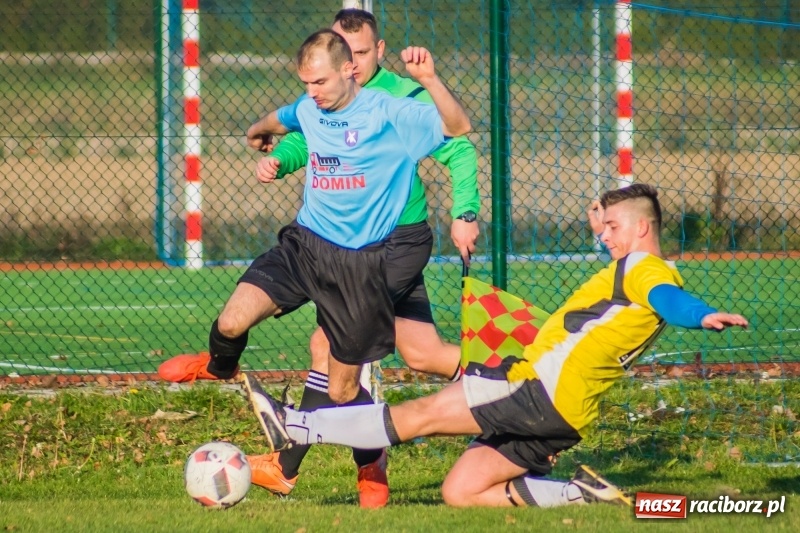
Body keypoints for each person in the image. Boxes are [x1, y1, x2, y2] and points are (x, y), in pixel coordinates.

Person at [242, 183, 749, 507]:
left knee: (424, 414)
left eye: (613, 228)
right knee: (461, 491)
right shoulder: (640, 265)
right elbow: (654, 280)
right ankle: (581, 496)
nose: (605, 236)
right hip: (568, 414)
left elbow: (670, 301)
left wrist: (701, 316)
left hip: (539, 388)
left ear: (641, 228)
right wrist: (606, 212)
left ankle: (299, 425)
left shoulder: (642, 269)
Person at [158, 29, 471, 506]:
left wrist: (429, 80)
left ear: (350, 69)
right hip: (304, 246)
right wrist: (260, 133)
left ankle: (371, 463)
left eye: (320, 82)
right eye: (305, 83)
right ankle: (221, 368)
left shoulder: (389, 113)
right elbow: (284, 118)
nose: (313, 93)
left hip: (358, 265)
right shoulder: (310, 108)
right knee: (231, 320)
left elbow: (457, 128)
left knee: (345, 389)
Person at [242, 9, 480, 507]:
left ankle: (303, 465)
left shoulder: (400, 95)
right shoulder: (326, 99)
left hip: (395, 244)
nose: (355, 64)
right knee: (423, 353)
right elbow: (303, 139)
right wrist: (280, 160)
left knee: (326, 343)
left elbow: (458, 147)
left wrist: (465, 211)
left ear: (377, 50)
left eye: (364, 54)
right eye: (345, 54)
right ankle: (517, 383)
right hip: (353, 246)